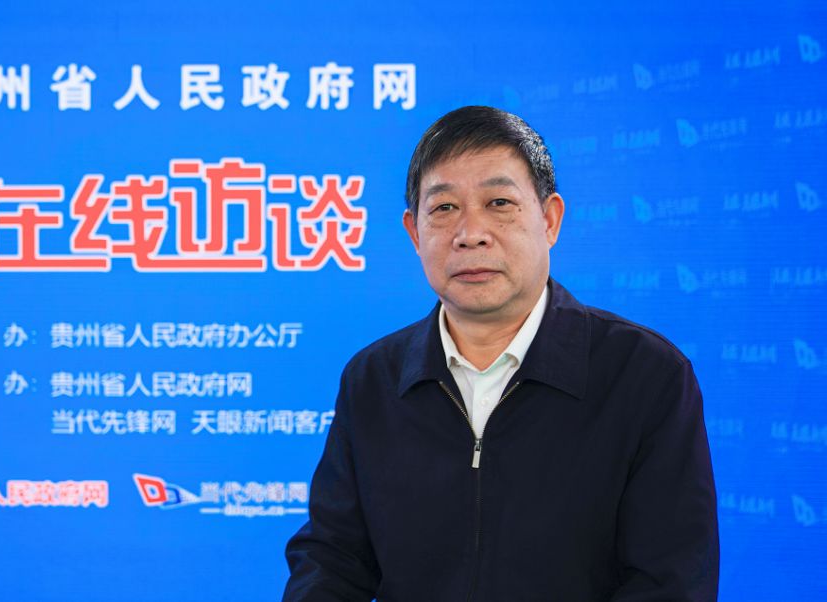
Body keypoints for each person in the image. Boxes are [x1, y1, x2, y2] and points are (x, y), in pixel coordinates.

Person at [282, 106, 719, 601]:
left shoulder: (645, 375)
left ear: (550, 219)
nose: (471, 233)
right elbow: (332, 558)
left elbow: (671, 582)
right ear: (414, 233)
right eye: (444, 208)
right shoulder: (373, 380)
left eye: (499, 203)